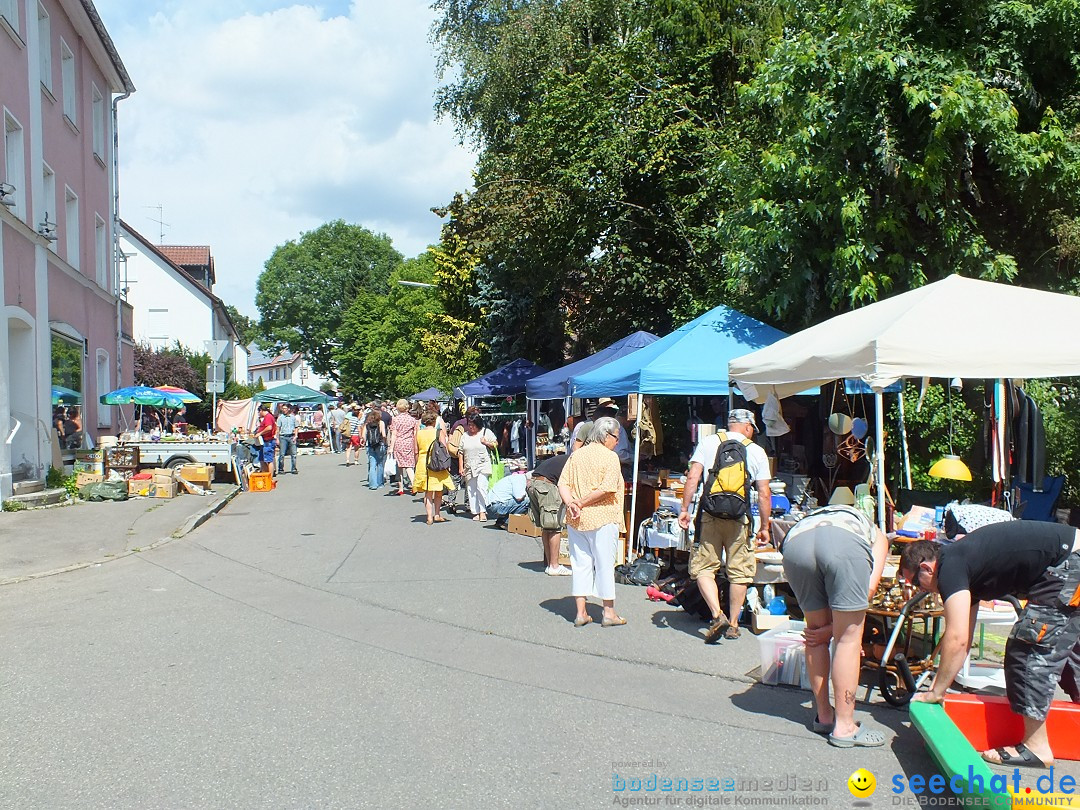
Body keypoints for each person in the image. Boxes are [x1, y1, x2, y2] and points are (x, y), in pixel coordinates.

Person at [901, 522, 1080, 768]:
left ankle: (1036, 748)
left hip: (1067, 560)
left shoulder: (949, 566)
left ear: (926, 568)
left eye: (915, 583)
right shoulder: (964, 563)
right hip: (1071, 557)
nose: (916, 590)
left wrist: (936, 692)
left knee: (1028, 649)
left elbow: (957, 638)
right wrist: (937, 688)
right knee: (1065, 643)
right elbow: (963, 638)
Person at [781, 505, 889, 747]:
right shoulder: (875, 532)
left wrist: (828, 630)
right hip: (843, 547)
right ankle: (845, 726)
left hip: (796, 543)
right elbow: (869, 589)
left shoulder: (817, 516)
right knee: (848, 640)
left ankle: (825, 715)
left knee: (814, 634)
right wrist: (839, 631)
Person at [678, 408, 771, 642]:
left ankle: (716, 614)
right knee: (739, 571)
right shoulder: (756, 451)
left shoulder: (709, 442)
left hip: (709, 514)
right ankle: (733, 623)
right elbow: (764, 493)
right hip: (740, 518)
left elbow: (693, 476)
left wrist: (684, 509)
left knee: (703, 567)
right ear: (748, 426)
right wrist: (765, 527)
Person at [558, 417, 626, 627]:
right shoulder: (610, 457)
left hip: (577, 519)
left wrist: (571, 503)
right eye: (616, 437)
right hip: (603, 516)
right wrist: (580, 502)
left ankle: (581, 613)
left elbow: (563, 483)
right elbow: (607, 488)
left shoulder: (576, 455)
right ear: (606, 436)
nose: (617, 441)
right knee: (605, 563)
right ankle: (608, 612)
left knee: (580, 564)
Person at [528, 451, 571, 576]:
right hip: (546, 484)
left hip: (534, 483)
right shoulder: (576, 461)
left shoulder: (567, 458)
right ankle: (554, 565)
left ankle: (549, 563)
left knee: (546, 526)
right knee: (554, 526)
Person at [414, 411, 454, 524]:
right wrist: (447, 464)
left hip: (423, 462)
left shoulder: (418, 433)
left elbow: (416, 451)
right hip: (437, 462)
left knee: (427, 492)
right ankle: (437, 514)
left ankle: (429, 517)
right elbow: (444, 448)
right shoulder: (438, 432)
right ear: (434, 421)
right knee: (438, 490)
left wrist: (418, 464)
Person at [458, 415, 498, 520]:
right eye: (469, 425)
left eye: (473, 425)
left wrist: (486, 443)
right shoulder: (465, 436)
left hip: (483, 464)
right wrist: (460, 467)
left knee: (481, 486)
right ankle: (475, 511)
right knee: (471, 489)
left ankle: (483, 511)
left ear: (478, 424)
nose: (470, 427)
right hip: (469, 465)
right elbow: (460, 452)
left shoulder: (486, 432)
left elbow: (495, 444)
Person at [486, 458, 531, 527]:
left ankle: (501, 521)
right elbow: (519, 497)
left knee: (514, 502)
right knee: (527, 501)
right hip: (497, 506)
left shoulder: (514, 477)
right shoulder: (520, 480)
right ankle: (507, 522)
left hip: (491, 505)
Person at [389, 399, 419, 495]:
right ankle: (414, 485)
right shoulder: (412, 420)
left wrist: (391, 447)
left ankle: (400, 488)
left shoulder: (395, 419)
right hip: (409, 443)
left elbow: (394, 434)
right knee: (409, 466)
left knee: (399, 466)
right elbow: (415, 434)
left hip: (399, 443)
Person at [363, 410, 387, 490]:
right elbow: (383, 434)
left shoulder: (367, 424)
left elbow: (363, 436)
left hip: (370, 445)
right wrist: (385, 443)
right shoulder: (381, 423)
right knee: (380, 464)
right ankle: (380, 483)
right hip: (380, 445)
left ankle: (373, 484)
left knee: (372, 465)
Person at [254, 403, 278, 474]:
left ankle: (269, 477)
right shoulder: (267, 417)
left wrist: (260, 433)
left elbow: (269, 427)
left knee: (268, 460)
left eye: (259, 412)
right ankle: (264, 474)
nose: (258, 414)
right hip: (265, 441)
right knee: (262, 459)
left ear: (261, 410)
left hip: (268, 441)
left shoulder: (268, 417)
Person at [276, 403, 299, 475]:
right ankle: (280, 469)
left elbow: (296, 427)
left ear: (289, 409)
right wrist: (277, 438)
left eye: (285, 408)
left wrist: (296, 435)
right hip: (283, 437)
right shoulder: (280, 418)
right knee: (282, 454)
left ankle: (294, 468)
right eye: (283, 408)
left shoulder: (293, 417)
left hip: (291, 436)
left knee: (294, 454)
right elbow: (278, 428)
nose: (284, 410)